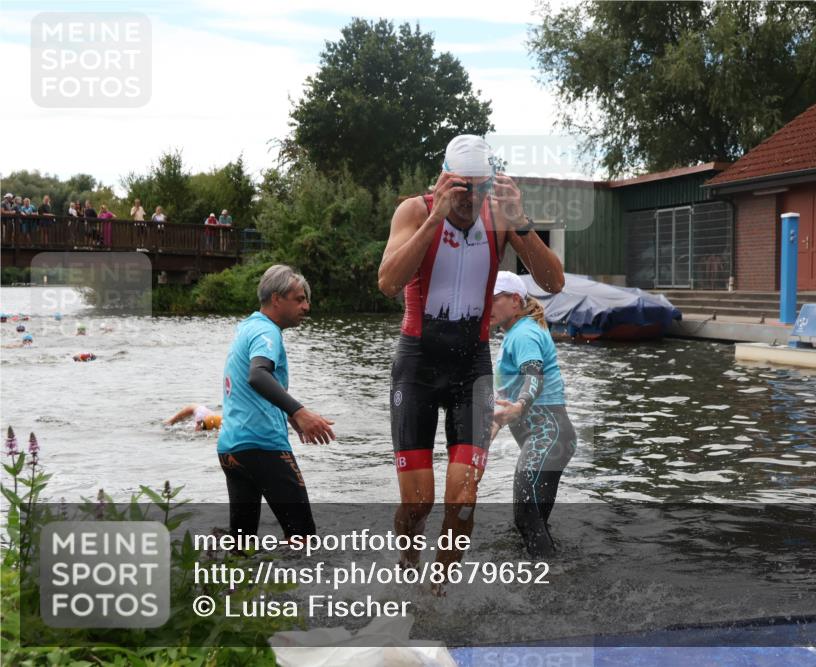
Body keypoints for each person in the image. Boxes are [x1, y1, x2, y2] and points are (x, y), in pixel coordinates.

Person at [377, 134, 565, 591]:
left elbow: (553, 281)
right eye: (461, 189)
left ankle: (436, 594)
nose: (469, 201)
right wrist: (435, 217)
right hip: (418, 365)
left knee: (462, 502)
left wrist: (521, 223)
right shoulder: (415, 210)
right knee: (420, 504)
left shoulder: (499, 218)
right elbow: (387, 281)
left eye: (479, 190)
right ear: (443, 180)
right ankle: (407, 563)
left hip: (471, 369)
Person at [217, 264, 335, 540]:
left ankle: (229, 582)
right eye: (299, 299)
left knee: (241, 545)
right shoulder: (267, 332)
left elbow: (250, 387)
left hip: (232, 448)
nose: (306, 307)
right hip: (263, 447)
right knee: (304, 540)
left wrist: (290, 418)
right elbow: (257, 375)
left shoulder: (247, 327)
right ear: (276, 299)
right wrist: (300, 412)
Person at [489, 271, 576, 558]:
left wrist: (522, 404)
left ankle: (549, 582)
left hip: (547, 435)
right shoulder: (515, 334)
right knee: (533, 523)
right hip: (550, 438)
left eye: (492, 299)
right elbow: (506, 400)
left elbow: (533, 374)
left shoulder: (524, 333)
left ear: (515, 300)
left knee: (525, 517)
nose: (485, 306)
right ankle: (552, 579)